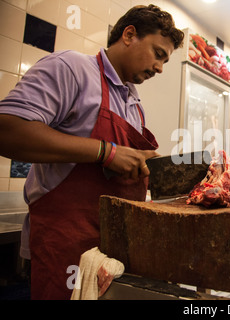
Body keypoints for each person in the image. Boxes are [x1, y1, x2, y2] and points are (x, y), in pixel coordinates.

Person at [0, 5, 184, 300]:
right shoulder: (72, 68)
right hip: (65, 246)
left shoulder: (133, 102)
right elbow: (8, 130)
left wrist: (144, 161)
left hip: (112, 254)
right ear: (129, 35)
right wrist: (106, 152)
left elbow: (119, 168)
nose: (160, 68)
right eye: (158, 53)